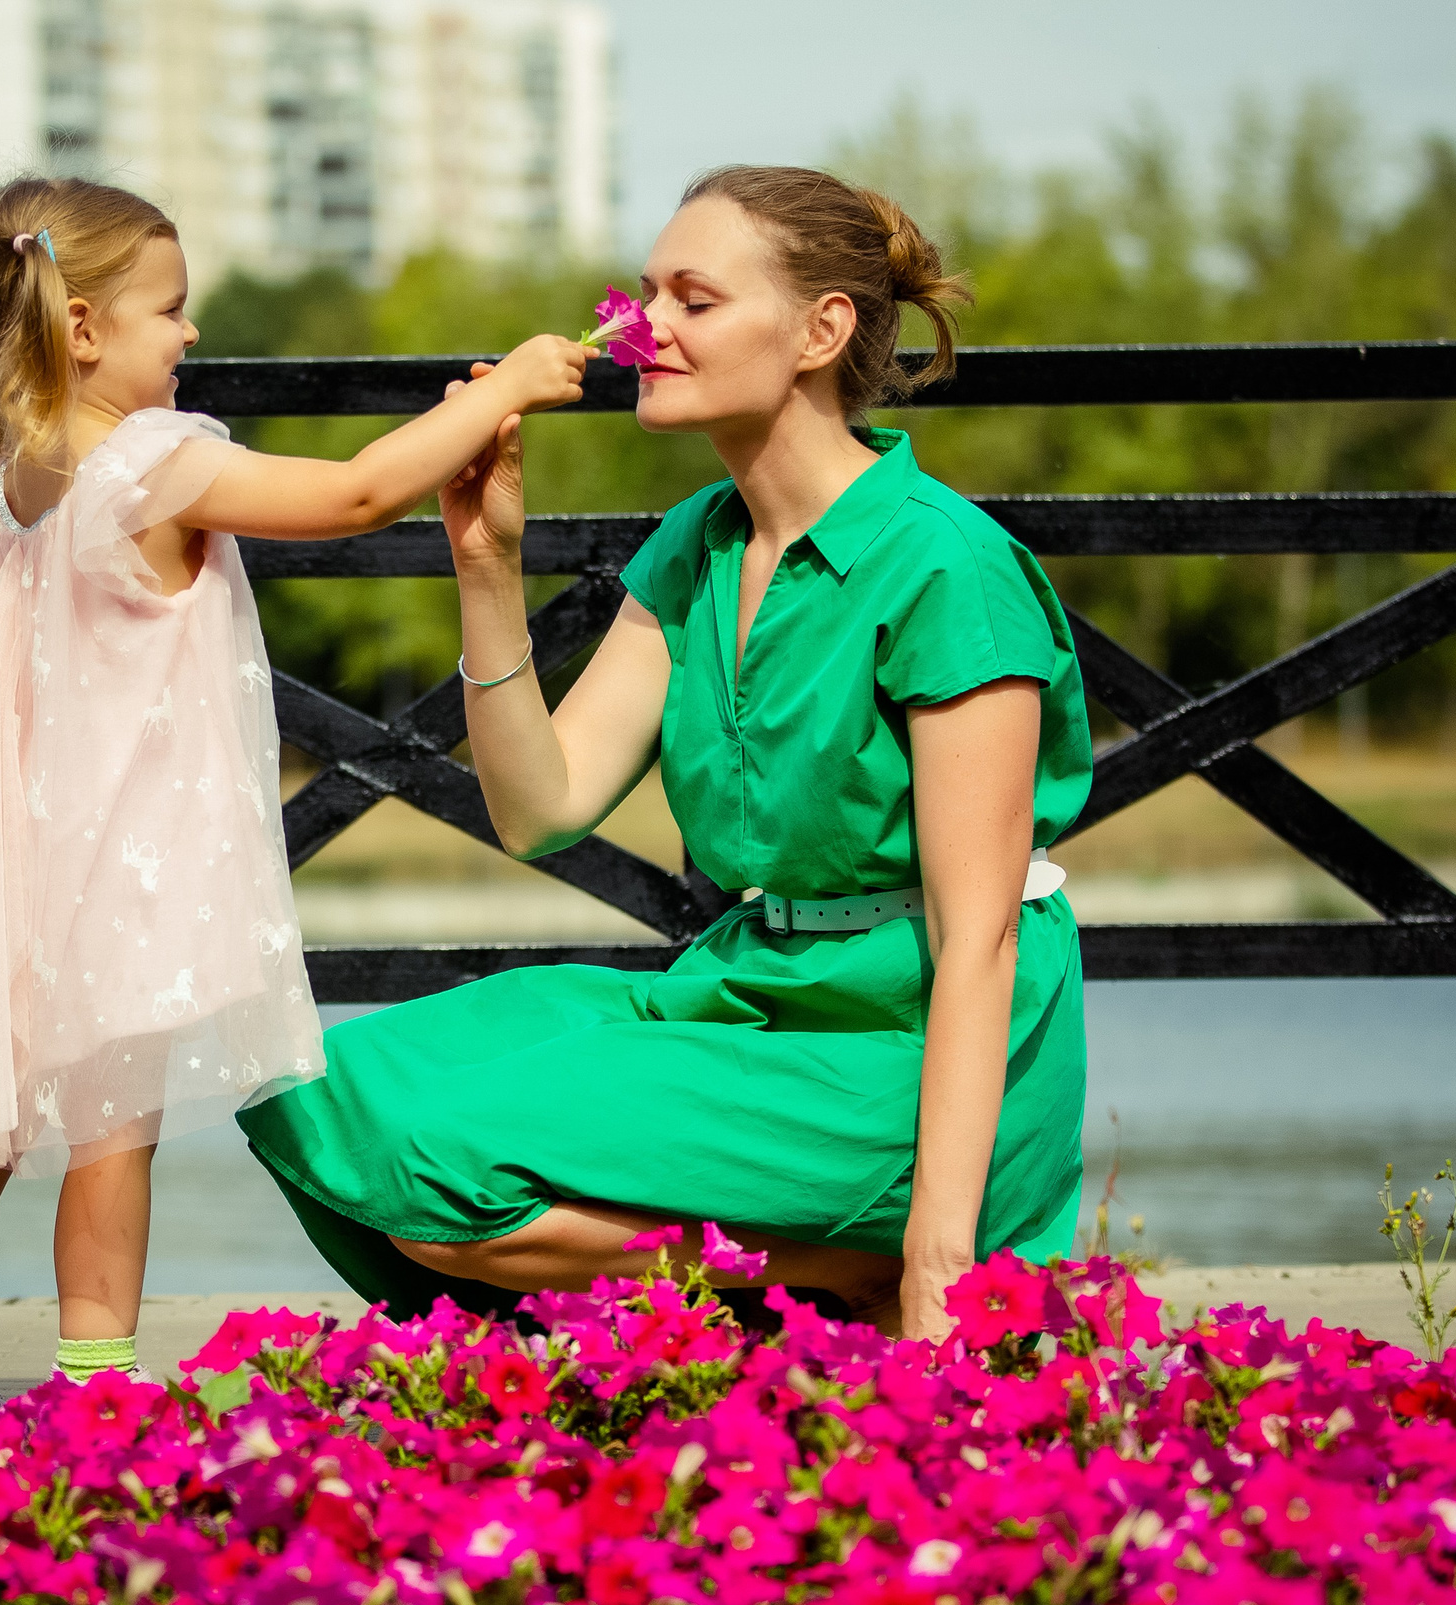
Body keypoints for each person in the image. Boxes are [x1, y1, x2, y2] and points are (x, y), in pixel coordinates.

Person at [239, 167, 1091, 1340]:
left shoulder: (945, 566)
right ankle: (816, 1277)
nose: (641, 330)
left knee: (447, 1183)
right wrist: (486, 566)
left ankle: (880, 1270)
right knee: (337, 1094)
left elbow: (979, 936)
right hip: (754, 994)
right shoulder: (698, 543)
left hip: (916, 1041)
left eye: (692, 300)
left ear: (820, 330)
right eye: (644, 296)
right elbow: (543, 807)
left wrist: (948, 1260)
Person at [0, 177, 587, 1410]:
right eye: (170, 310)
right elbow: (351, 496)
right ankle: (95, 1377)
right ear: (81, 327)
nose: (191, 334)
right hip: (119, 864)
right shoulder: (151, 468)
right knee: (110, 1129)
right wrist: (501, 392)